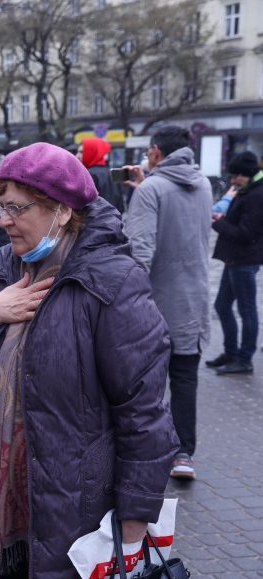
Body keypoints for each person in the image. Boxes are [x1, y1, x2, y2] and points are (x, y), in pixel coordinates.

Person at [0, 142, 177, 579]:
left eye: (18, 207)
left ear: (63, 211)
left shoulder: (111, 280)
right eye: (1, 205)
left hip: (74, 515)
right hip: (1, 513)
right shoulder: (5, 268)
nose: (5, 219)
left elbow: (145, 410)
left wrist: (133, 526)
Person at [124, 125, 211, 481]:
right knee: (185, 378)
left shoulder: (152, 190)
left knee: (146, 382)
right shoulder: (204, 184)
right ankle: (183, 454)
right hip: (194, 303)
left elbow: (139, 252)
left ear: (157, 152)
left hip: (155, 304)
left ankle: (145, 451)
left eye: (148, 152)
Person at [206, 151, 263, 375]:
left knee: (247, 310)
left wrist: (217, 223)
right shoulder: (247, 190)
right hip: (234, 258)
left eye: (235, 176)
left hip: (244, 259)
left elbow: (246, 233)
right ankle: (231, 353)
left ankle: (244, 359)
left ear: (246, 174)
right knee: (222, 305)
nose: (232, 180)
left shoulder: (257, 195)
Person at [77, 136, 124, 211]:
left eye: (81, 152)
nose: (77, 156)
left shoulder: (88, 174)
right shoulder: (114, 172)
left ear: (92, 152)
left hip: (94, 220)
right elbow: (121, 205)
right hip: (115, 219)